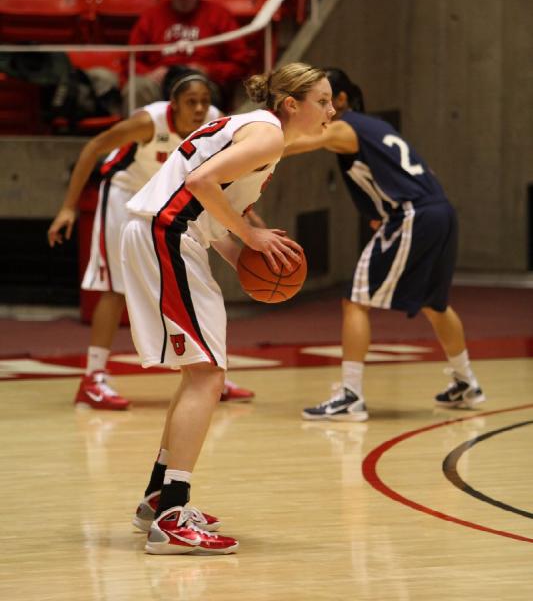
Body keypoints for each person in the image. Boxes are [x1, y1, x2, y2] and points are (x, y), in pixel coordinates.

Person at [121, 62, 334, 555]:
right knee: (207, 376)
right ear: (290, 105)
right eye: (322, 100)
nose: (330, 109)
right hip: (168, 236)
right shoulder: (268, 137)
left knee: (198, 373)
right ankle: (174, 514)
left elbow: (208, 206)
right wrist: (251, 234)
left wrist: (241, 254)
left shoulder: (253, 130)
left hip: (168, 233)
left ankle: (158, 496)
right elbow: (200, 184)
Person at [284, 67, 485, 422]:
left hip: (413, 214)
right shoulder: (374, 127)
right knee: (435, 304)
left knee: (355, 299)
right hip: (439, 211)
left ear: (341, 101)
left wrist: (249, 140)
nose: (321, 108)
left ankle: (350, 395)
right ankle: (467, 383)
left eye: (325, 100)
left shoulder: (344, 127)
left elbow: (294, 145)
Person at [48, 68, 255, 411]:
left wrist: (246, 218)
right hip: (124, 194)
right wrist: (68, 207)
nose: (201, 109)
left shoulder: (216, 121)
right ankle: (93, 378)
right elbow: (94, 148)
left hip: (167, 199)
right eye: (192, 102)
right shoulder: (149, 122)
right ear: (172, 104)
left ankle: (210, 369)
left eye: (205, 101)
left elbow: (220, 179)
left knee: (197, 277)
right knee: (114, 288)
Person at [123, 0, 252, 113]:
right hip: (160, 83)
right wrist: (149, 74)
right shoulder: (151, 16)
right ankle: (138, 136)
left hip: (202, 82)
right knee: (137, 86)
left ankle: (199, 138)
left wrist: (208, 70)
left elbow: (240, 63)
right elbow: (130, 60)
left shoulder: (219, 15)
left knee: (195, 89)